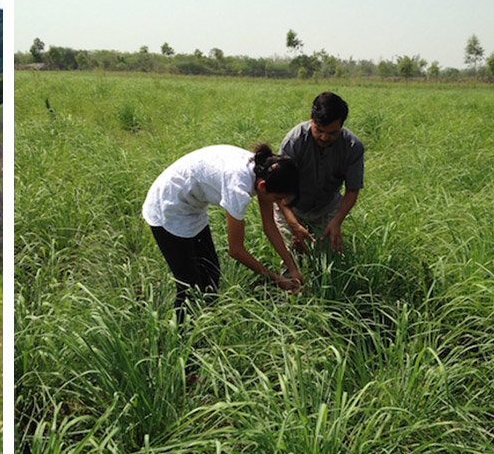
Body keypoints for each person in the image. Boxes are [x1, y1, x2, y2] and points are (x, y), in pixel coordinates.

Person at [142, 144, 303, 313]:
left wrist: (292, 267)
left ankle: (208, 321)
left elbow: (269, 225)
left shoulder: (264, 170)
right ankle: (181, 335)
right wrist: (276, 280)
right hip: (168, 206)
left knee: (211, 272)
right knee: (190, 287)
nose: (277, 202)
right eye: (277, 198)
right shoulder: (238, 188)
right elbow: (236, 250)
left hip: (192, 206)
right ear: (262, 186)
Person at [274, 92, 363, 255]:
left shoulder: (352, 147)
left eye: (332, 133)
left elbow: (352, 191)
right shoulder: (294, 141)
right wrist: (292, 223)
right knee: (291, 256)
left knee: (326, 257)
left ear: (342, 125)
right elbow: (280, 188)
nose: (324, 137)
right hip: (289, 205)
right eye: (319, 130)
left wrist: (336, 222)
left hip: (326, 208)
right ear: (311, 119)